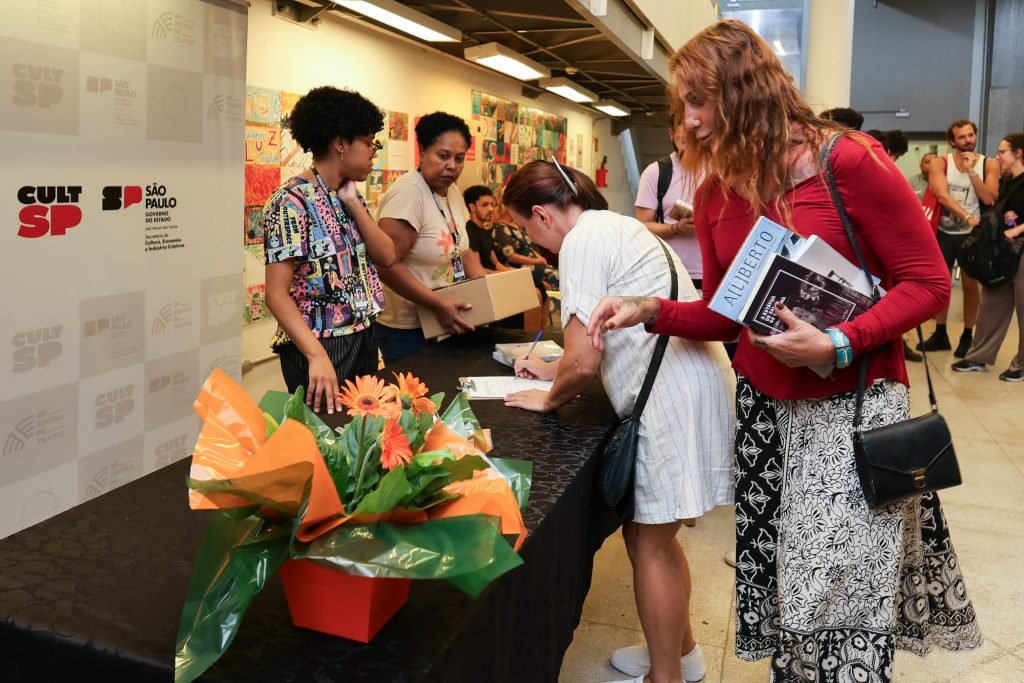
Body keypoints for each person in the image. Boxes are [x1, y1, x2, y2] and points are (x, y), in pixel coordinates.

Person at [587, 20, 981, 683]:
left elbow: (931, 283)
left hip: (856, 410)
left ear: (747, 91)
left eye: (700, 101)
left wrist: (837, 337)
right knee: (788, 591)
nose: (689, 121)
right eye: (680, 104)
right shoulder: (715, 192)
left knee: (842, 596)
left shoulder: (847, 161)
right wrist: (652, 310)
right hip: (768, 418)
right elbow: (724, 310)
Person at [501, 160, 734, 683]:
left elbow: (583, 362)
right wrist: (552, 366)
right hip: (695, 378)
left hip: (671, 395)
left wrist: (547, 397)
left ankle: (667, 676)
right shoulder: (618, 225)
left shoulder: (581, 241)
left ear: (540, 214)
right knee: (656, 533)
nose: (531, 240)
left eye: (524, 228)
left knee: (647, 542)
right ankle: (683, 654)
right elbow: (592, 342)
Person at [263, 86, 396, 414]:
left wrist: (352, 202)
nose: (373, 151)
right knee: (325, 444)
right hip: (320, 344)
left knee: (360, 436)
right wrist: (315, 355)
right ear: (340, 143)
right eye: (369, 142)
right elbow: (276, 294)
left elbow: (387, 256)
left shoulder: (350, 195)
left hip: (363, 335)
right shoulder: (290, 202)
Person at [373, 112, 487, 364]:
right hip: (405, 327)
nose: (452, 166)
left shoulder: (451, 190)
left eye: (459, 159)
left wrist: (488, 290)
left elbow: (461, 247)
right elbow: (384, 265)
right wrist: (436, 303)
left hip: (441, 317)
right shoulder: (409, 193)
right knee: (416, 399)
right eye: (443, 156)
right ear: (422, 151)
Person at [923, 119, 1000, 357]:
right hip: (944, 231)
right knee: (942, 284)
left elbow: (989, 198)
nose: (968, 140)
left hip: (973, 235)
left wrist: (971, 173)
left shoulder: (990, 164)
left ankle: (967, 335)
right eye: (962, 137)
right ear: (952, 141)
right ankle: (940, 332)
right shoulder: (940, 163)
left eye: (970, 135)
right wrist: (966, 216)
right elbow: (942, 196)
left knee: (970, 284)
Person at [952, 132, 1024, 381]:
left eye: (1002, 151)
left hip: (1021, 247)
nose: (997, 156)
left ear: (1018, 153)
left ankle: (1021, 365)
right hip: (1003, 249)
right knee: (992, 301)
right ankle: (979, 355)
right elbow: (990, 200)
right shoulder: (1007, 182)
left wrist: (1019, 228)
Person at [634, 114, 704, 291]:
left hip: (715, 274)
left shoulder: (722, 171)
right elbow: (642, 226)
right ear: (671, 134)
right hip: (670, 272)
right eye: (682, 139)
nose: (688, 142)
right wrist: (676, 228)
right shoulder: (656, 172)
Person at [463, 184, 509, 272]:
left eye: (491, 204)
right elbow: (476, 270)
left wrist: (508, 271)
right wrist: (502, 275)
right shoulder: (469, 232)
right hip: (485, 280)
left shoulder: (484, 231)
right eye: (485, 205)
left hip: (495, 275)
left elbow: (495, 263)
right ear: (472, 207)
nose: (491, 209)